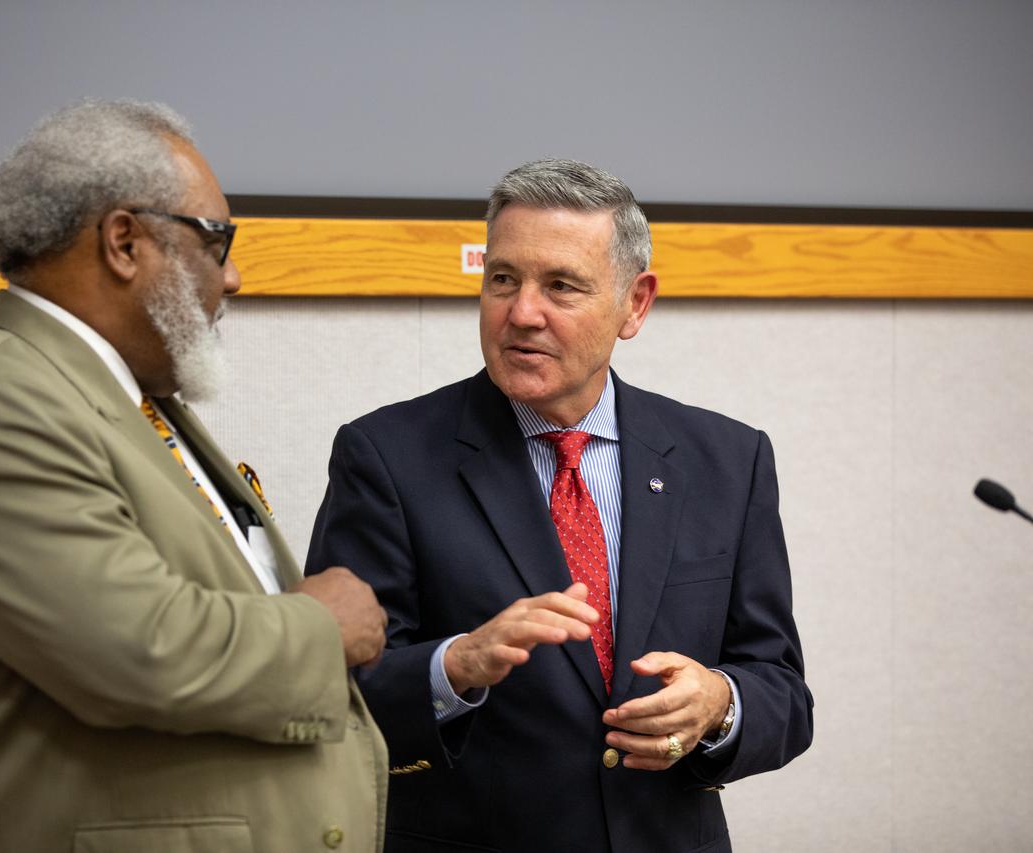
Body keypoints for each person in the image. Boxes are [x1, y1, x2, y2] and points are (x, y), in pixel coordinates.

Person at [0, 99, 389, 853]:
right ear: (123, 241)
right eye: (217, 240)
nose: (233, 276)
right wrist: (322, 626)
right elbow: (142, 650)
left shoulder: (121, 392)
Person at [305, 159, 812, 852]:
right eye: (503, 279)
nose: (521, 313)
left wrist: (721, 705)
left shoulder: (727, 459)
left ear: (634, 304)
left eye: (561, 286)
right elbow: (331, 692)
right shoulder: (386, 456)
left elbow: (782, 689)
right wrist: (455, 665)